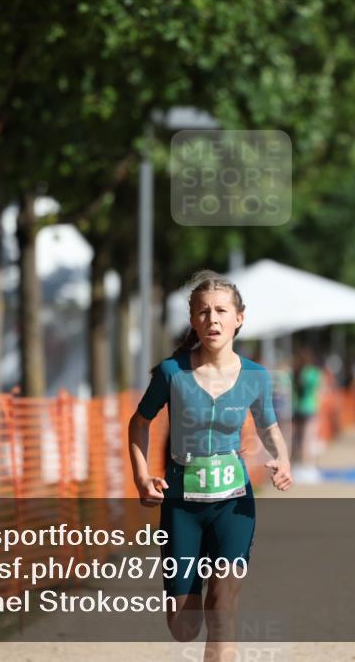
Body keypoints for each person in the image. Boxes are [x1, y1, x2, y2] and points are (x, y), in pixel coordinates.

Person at [127, 270, 293, 656]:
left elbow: (269, 426)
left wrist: (282, 459)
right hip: (182, 505)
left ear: (239, 318)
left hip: (233, 503)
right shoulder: (173, 373)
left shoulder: (256, 376)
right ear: (192, 321)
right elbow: (139, 424)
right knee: (184, 626)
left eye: (221, 311)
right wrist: (141, 477)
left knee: (224, 604)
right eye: (203, 312)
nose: (212, 319)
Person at [291, 347, 323, 466]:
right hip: (309, 407)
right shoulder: (313, 372)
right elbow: (319, 387)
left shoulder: (295, 371)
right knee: (307, 438)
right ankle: (305, 464)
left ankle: (295, 462)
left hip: (297, 407)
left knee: (297, 437)